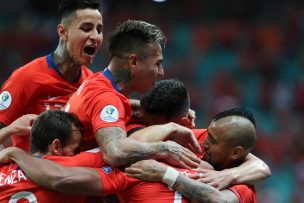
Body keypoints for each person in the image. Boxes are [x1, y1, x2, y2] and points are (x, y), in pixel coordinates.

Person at [0, 108, 261, 203]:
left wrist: (10, 146)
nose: (203, 143)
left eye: (211, 141)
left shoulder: (239, 182)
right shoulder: (132, 169)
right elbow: (121, 151)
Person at [64, 19, 202, 168]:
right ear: (133, 62)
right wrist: (166, 148)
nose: (161, 72)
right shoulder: (106, 98)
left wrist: (173, 109)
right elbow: (115, 153)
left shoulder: (98, 81)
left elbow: (119, 107)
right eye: (157, 64)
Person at [128, 79, 271, 189]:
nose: (205, 143)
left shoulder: (199, 138)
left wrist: (227, 175)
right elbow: (127, 146)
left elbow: (262, 168)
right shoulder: (131, 127)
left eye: (155, 125)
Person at [0, 0, 103, 151]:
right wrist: (11, 130)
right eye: (87, 29)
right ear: (63, 32)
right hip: (31, 171)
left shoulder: (91, 83)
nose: (95, 36)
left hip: (73, 171)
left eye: (99, 30)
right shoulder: (26, 77)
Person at [125, 108, 259, 202]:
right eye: (208, 134)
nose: (204, 143)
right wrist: (172, 129)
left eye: (212, 140)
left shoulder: (243, 187)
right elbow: (129, 145)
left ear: (235, 153)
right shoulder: (197, 145)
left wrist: (165, 174)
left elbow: (220, 201)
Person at [0, 110, 104, 202]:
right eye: (75, 149)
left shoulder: (4, 168)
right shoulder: (71, 167)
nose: (77, 153)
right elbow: (115, 153)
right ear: (56, 147)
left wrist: (11, 129)